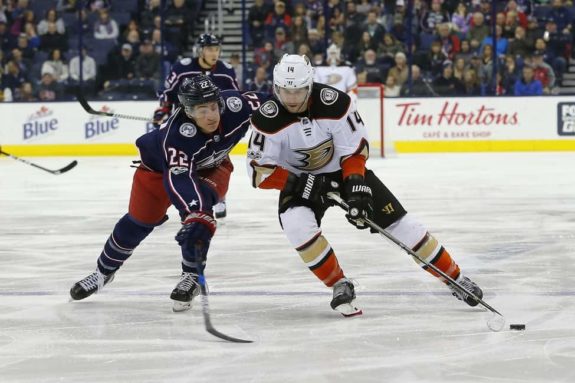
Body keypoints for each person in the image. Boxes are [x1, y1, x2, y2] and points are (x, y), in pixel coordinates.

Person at [247, 54, 484, 316]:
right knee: (296, 225)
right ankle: (339, 283)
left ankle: (455, 278)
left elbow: (354, 151)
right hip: (299, 181)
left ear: (310, 85)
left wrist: (357, 186)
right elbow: (260, 173)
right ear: (275, 88)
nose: (291, 98)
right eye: (285, 91)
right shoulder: (266, 118)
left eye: (298, 90)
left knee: (401, 224)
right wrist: (303, 184)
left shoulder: (335, 103)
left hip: (342, 171)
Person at [70, 75, 266, 312]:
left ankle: (191, 277)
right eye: (202, 110)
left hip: (213, 167)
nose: (211, 115)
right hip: (156, 171)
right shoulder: (176, 137)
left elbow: (280, 102)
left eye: (213, 106)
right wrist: (193, 212)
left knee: (201, 213)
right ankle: (103, 272)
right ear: (188, 111)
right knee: (138, 222)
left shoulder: (236, 105)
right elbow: (180, 179)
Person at [154, 33, 240, 219]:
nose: (214, 53)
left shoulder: (225, 70)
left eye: (216, 49)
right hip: (186, 125)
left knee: (216, 160)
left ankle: (219, 195)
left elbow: (235, 95)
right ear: (200, 50)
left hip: (214, 125)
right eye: (210, 49)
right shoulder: (183, 68)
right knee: (176, 164)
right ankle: (164, 203)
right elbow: (168, 92)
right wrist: (162, 110)